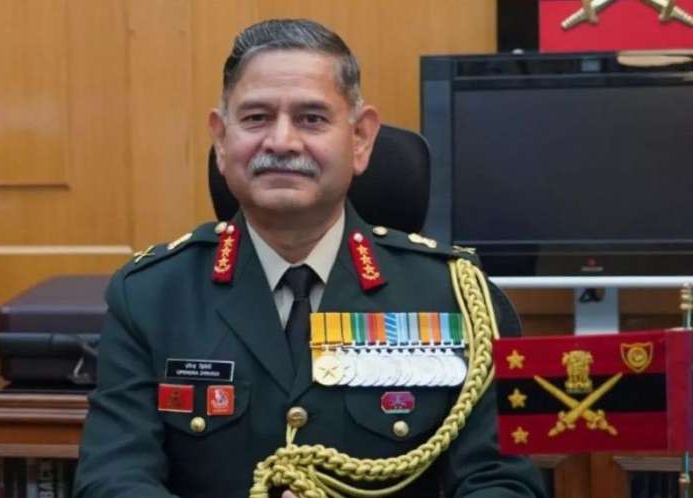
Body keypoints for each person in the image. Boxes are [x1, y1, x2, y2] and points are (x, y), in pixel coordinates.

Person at [73, 18, 547, 498]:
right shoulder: (151, 297)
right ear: (221, 139)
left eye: (311, 118)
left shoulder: (455, 298)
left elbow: (501, 483)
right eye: (256, 118)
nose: (281, 142)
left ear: (360, 139)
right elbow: (112, 479)